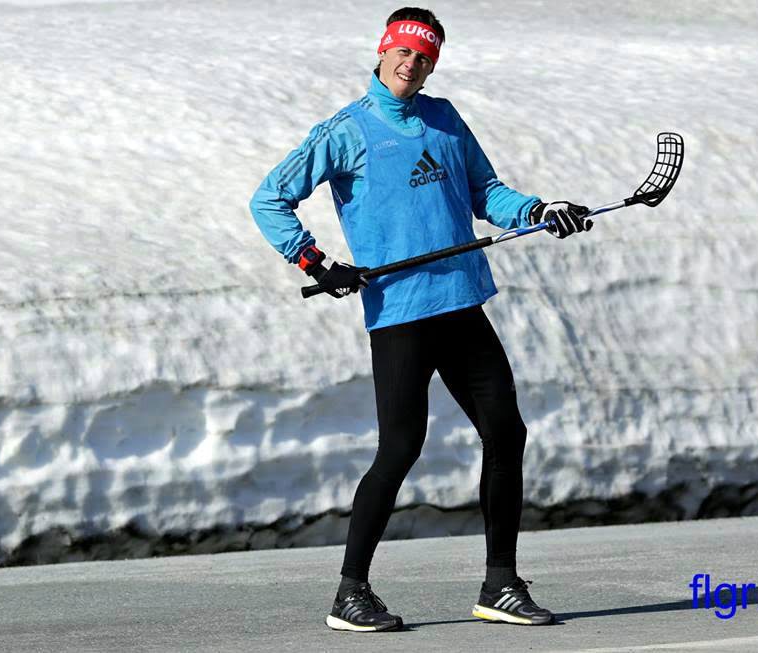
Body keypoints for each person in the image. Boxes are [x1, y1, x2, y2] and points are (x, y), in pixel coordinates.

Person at [249, 6, 591, 632]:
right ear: (383, 52)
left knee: (506, 433)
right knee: (401, 447)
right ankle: (350, 593)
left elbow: (487, 193)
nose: (412, 63)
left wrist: (541, 211)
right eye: (404, 51)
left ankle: (501, 585)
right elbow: (269, 199)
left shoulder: (445, 118)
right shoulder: (346, 131)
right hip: (402, 315)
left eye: (425, 56)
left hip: (462, 303)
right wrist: (316, 262)